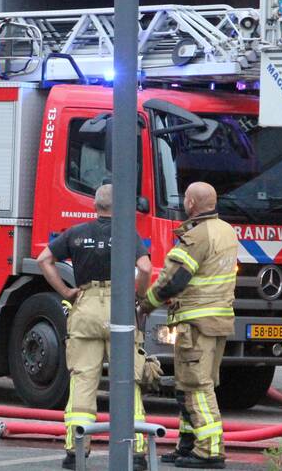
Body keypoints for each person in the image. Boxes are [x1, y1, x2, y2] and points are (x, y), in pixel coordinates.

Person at [37, 183, 154, 470]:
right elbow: (147, 268)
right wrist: (137, 295)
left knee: (82, 380)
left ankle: (75, 451)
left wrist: (66, 292)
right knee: (127, 381)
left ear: (95, 206)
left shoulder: (77, 233)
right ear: (121, 206)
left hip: (86, 306)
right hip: (120, 307)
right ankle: (137, 451)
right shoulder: (127, 233)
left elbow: (44, 260)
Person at [138, 182, 238, 469]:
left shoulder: (196, 236)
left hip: (196, 323)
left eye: (185, 198)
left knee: (196, 386)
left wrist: (145, 305)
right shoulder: (226, 231)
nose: (183, 201)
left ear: (192, 203)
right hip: (218, 321)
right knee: (188, 385)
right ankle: (188, 444)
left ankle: (209, 450)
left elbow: (174, 281)